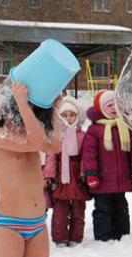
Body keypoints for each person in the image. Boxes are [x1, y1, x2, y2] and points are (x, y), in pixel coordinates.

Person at [0, 83, 63, 257]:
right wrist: (22, 103)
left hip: (37, 223)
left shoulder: (29, 132)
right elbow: (38, 142)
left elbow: (54, 146)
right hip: (9, 224)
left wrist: (54, 110)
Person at [82, 90, 132, 242]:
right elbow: (89, 154)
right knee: (103, 208)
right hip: (102, 179)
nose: (113, 108)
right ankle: (104, 236)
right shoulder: (94, 130)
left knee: (121, 207)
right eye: (109, 105)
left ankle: (122, 234)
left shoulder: (125, 128)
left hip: (121, 178)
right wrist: (91, 174)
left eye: (116, 105)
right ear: (102, 109)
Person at [43, 96, 90, 247]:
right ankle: (60, 237)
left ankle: (76, 237)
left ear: (78, 116)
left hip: (77, 176)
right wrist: (49, 175)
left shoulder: (83, 136)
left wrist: (84, 172)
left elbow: (86, 155)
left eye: (72, 115)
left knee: (78, 210)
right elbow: (51, 156)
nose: (68, 119)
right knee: (60, 211)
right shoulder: (57, 136)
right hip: (61, 177)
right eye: (64, 115)